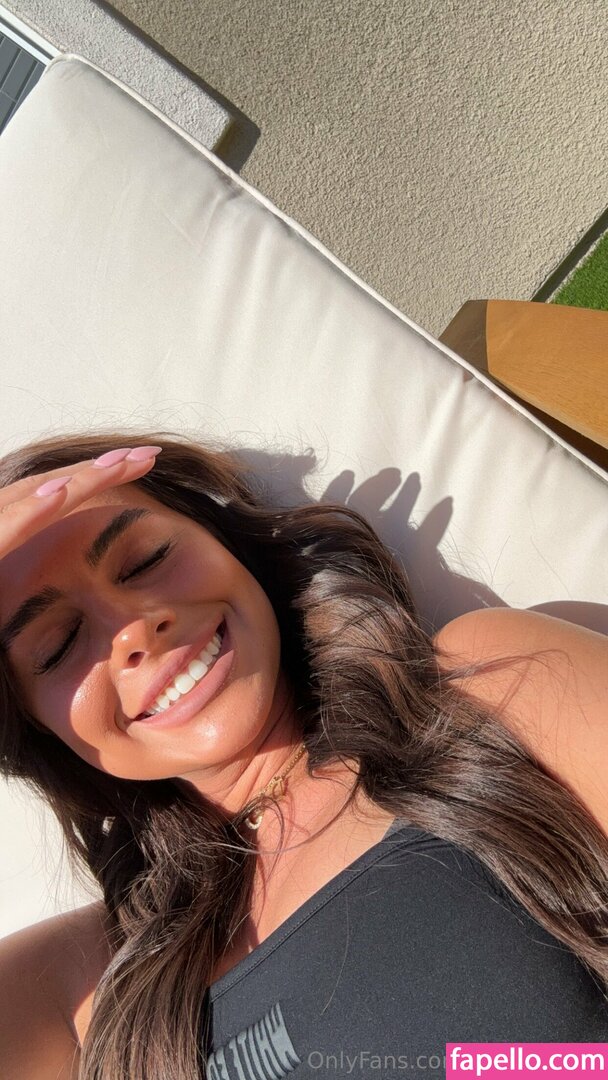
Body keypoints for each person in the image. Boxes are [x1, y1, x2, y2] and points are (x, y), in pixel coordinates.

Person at [0, 432, 607, 1080]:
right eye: (59, 644)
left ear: (222, 540)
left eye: (145, 559)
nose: (134, 628)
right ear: (36, 728)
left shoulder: (483, 692)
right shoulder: (91, 985)